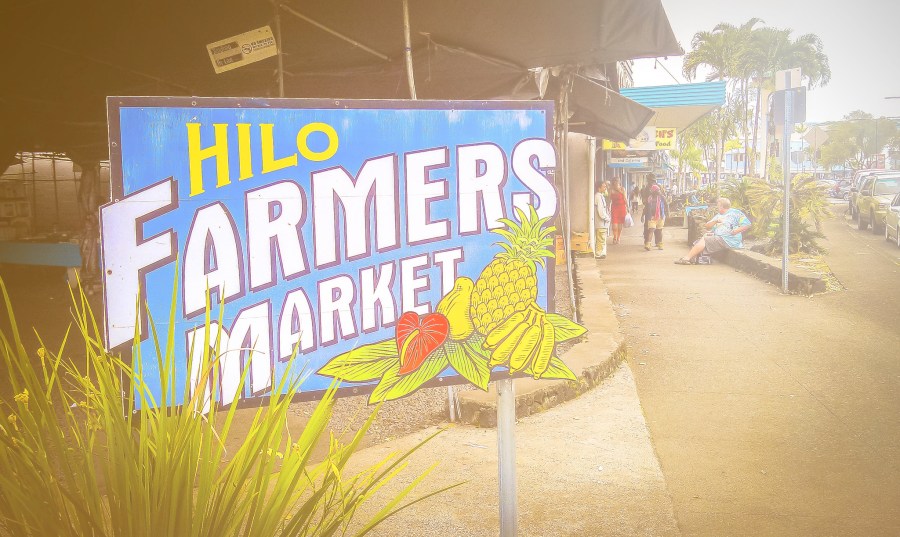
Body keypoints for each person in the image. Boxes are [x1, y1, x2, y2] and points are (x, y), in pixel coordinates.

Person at [675, 197, 751, 265]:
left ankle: (687, 258)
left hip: (728, 239)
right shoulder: (719, 215)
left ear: (721, 206)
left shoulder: (736, 213)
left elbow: (747, 224)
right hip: (719, 237)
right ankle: (691, 258)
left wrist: (736, 231)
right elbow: (707, 226)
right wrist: (716, 221)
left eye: (718, 206)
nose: (717, 208)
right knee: (701, 240)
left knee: (704, 240)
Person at [642, 184, 667, 251]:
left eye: (659, 190)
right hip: (652, 217)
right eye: (657, 190)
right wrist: (642, 215)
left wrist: (668, 213)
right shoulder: (649, 198)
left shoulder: (662, 197)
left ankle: (660, 244)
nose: (659, 191)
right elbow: (646, 207)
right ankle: (648, 244)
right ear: (654, 191)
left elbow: (666, 205)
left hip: (660, 217)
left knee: (659, 231)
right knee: (651, 230)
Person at [608, 178, 627, 244]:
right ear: (613, 183)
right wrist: (608, 207)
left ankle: (618, 237)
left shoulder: (622, 189)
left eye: (617, 181)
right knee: (614, 224)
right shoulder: (611, 189)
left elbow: (625, 198)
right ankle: (615, 236)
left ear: (619, 182)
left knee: (620, 223)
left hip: (622, 207)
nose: (616, 183)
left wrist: (627, 207)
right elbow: (609, 199)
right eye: (615, 182)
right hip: (614, 208)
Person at [594, 181, 610, 259]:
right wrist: (607, 218)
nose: (605, 188)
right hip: (601, 222)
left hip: (601, 222)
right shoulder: (598, 197)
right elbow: (601, 211)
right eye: (604, 187)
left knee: (601, 239)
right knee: (601, 239)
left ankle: (601, 253)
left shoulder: (600, 196)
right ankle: (599, 253)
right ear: (599, 188)